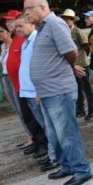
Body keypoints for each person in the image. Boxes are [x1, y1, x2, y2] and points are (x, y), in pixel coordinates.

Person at [24, 0, 92, 185]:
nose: (26, 12)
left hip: (59, 89)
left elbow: (71, 51)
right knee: (55, 135)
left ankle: (81, 170)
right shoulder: (42, 27)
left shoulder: (54, 24)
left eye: (29, 8)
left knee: (67, 133)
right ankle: (67, 166)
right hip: (47, 91)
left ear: (42, 7)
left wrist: (65, 67)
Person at [16, 14, 58, 171]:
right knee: (46, 126)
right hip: (28, 92)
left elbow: (41, 68)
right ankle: (53, 154)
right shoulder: (26, 41)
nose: (17, 29)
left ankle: (55, 157)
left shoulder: (35, 40)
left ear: (31, 25)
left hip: (35, 92)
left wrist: (39, 91)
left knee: (50, 127)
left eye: (20, 26)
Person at [0, 18, 33, 147]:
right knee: (16, 109)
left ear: (8, 32)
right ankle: (30, 135)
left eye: (1, 31)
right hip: (6, 78)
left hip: (15, 78)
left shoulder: (17, 43)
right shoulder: (3, 46)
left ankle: (34, 136)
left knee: (23, 109)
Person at [60, 9, 93, 120]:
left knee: (86, 87)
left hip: (82, 63)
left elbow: (86, 46)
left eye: (67, 19)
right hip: (72, 64)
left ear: (72, 20)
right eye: (64, 19)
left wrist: (84, 58)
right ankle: (80, 109)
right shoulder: (64, 32)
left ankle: (92, 110)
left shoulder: (77, 31)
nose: (65, 21)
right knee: (77, 88)